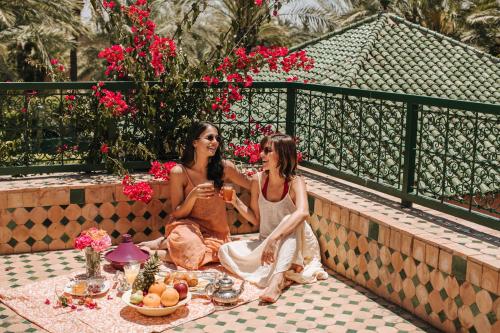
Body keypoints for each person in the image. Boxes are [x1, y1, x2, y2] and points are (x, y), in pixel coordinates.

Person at [219, 133, 327, 303]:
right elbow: (257, 220)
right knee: (224, 250)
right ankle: (287, 270)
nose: (261, 155)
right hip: (267, 244)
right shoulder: (258, 180)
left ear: (282, 154)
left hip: (297, 241)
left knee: (289, 219)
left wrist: (275, 238)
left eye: (268, 151)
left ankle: (277, 282)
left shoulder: (295, 182)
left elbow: (303, 212)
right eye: (262, 150)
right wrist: (235, 201)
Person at [140, 121, 251, 270]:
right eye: (209, 138)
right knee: (190, 244)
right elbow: (178, 213)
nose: (215, 142)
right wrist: (192, 196)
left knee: (220, 254)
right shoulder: (179, 172)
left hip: (216, 232)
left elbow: (251, 184)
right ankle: (167, 244)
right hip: (187, 227)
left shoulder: (225, 168)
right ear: (194, 142)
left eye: (217, 139)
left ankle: (161, 250)